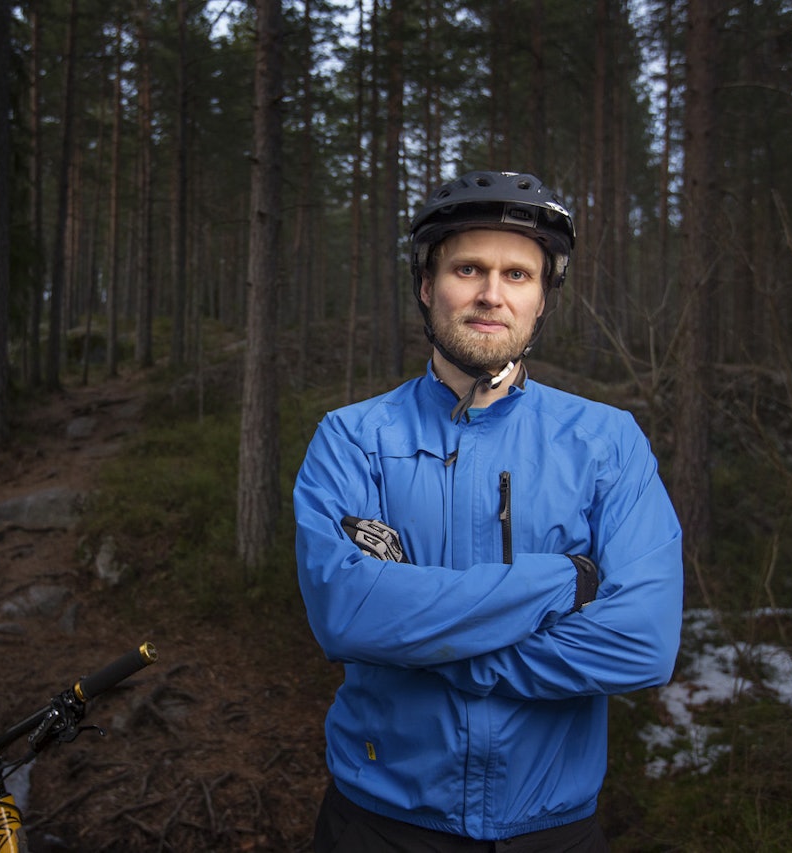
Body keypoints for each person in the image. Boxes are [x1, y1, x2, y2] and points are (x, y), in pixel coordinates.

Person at [293, 170, 684, 852]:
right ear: (426, 285)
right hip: (378, 824)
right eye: (468, 268)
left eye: (517, 274)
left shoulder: (607, 441)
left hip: (553, 828)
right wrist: (563, 580)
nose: (491, 294)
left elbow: (642, 642)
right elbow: (347, 612)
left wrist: (427, 650)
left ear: (541, 301)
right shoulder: (353, 437)